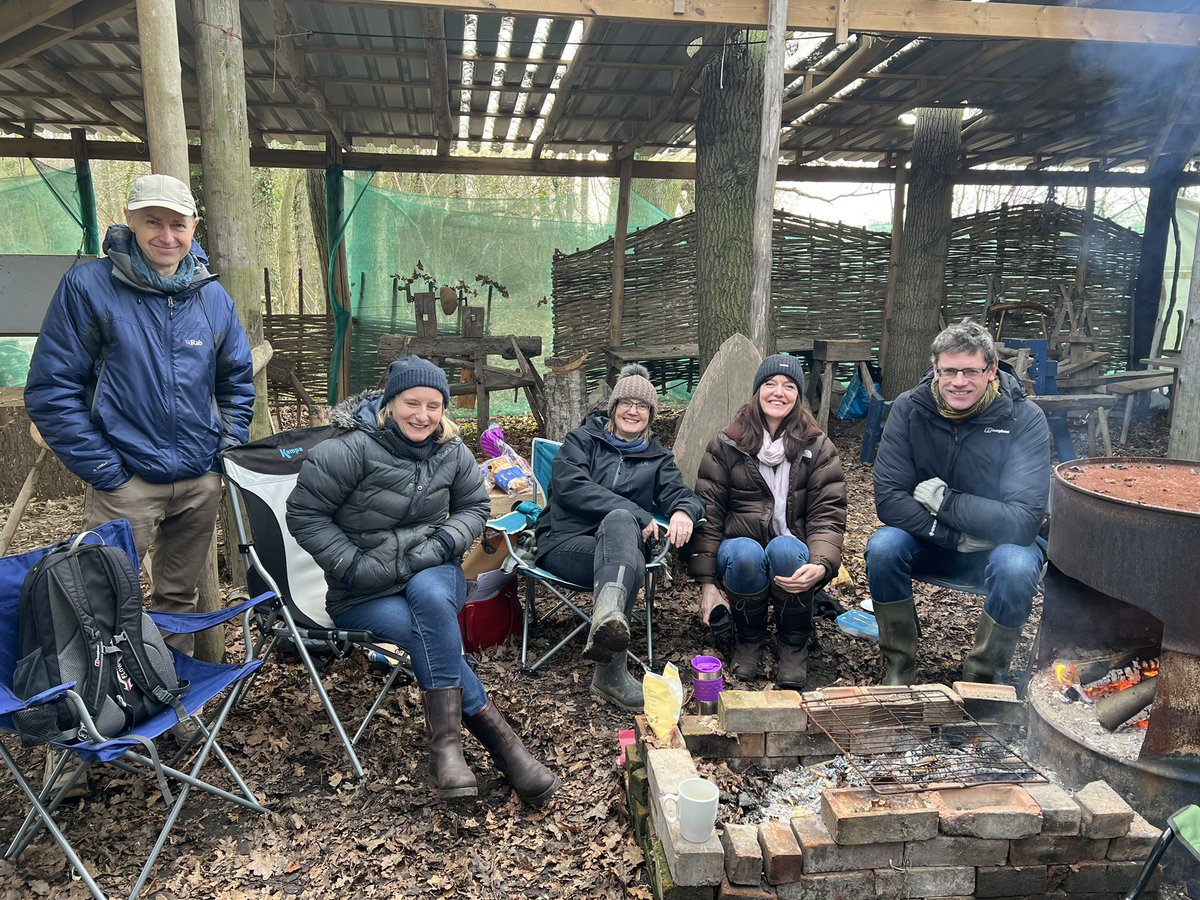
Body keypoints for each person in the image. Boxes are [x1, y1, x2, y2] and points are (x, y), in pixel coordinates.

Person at [286, 356, 559, 806]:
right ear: (391, 403)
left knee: (433, 602)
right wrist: (353, 565)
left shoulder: (451, 450)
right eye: (412, 402)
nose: (423, 415)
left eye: (434, 405)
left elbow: (474, 507)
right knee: (427, 635)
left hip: (431, 566)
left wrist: (438, 548)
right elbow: (305, 514)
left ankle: (449, 750)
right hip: (363, 586)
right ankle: (506, 749)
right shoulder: (349, 449)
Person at [25, 173, 255, 656]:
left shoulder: (211, 295)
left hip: (198, 480)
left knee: (180, 599)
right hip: (125, 483)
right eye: (153, 222)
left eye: (177, 224)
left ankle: (172, 699)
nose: (166, 236)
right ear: (129, 221)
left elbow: (234, 380)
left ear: (194, 226)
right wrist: (108, 472)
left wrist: (222, 454)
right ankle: (111, 708)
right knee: (102, 601)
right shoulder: (89, 286)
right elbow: (51, 390)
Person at [866, 319, 1050, 685]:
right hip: (932, 540)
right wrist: (953, 536)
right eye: (949, 371)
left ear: (991, 370)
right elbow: (889, 500)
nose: (959, 382)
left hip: (999, 547)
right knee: (884, 547)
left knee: (1015, 566)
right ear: (935, 370)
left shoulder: (1024, 420)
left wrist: (945, 502)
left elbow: (1023, 521)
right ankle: (899, 667)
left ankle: (983, 678)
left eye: (970, 371)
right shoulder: (910, 409)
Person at [535, 364, 705, 712]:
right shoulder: (582, 440)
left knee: (621, 529)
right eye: (625, 403)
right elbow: (570, 488)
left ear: (651, 415)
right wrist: (639, 513)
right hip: (567, 544)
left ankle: (608, 630)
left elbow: (682, 494)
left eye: (642, 406)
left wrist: (684, 511)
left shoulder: (657, 459)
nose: (633, 410)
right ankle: (610, 655)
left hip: (620, 554)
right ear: (612, 408)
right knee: (623, 519)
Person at [689, 354, 847, 689]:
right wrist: (706, 584)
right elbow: (710, 512)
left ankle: (793, 644)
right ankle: (750, 639)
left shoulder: (817, 446)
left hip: (793, 548)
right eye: (770, 384)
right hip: (739, 548)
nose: (779, 392)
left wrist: (821, 563)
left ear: (798, 395)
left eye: (789, 386)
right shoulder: (727, 443)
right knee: (745, 552)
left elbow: (827, 514)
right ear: (757, 391)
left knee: (787, 548)